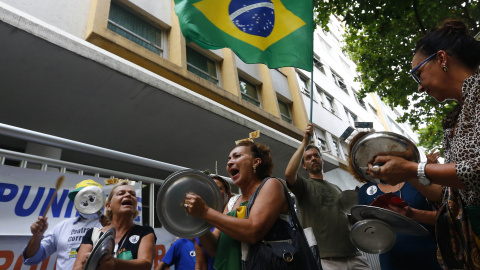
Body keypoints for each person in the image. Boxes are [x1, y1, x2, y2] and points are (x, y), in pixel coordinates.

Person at [365, 18, 480, 269]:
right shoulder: (454, 121)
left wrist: (412, 170)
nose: (418, 87)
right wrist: (409, 169)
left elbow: (476, 171)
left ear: (442, 59)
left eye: (419, 74)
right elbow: (448, 192)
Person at [183, 140, 290, 270]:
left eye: (237, 156)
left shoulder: (271, 185)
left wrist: (205, 212)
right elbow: (214, 249)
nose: (229, 162)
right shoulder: (233, 202)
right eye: (228, 159)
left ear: (255, 162)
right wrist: (198, 220)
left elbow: (253, 231)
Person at [348, 131, 441, 270]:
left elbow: (442, 205)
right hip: (392, 262)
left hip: (431, 257)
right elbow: (371, 232)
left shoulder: (414, 178)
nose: (371, 154)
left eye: (372, 147)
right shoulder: (364, 191)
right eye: (363, 151)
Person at [285, 123, 370, 270]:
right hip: (326, 259)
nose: (313, 158)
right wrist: (305, 142)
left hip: (354, 254)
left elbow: (348, 218)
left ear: (322, 160)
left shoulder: (336, 188)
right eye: (308, 157)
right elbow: (289, 174)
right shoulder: (303, 186)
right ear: (304, 165)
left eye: (316, 155)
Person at [22, 179, 108, 270]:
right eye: (80, 196)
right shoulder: (62, 227)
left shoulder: (110, 225)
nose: (86, 200)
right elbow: (32, 259)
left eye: (91, 197)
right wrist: (37, 236)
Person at [73, 180, 156, 270]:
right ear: (108, 206)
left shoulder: (145, 232)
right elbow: (77, 267)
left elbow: (146, 264)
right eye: (121, 193)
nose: (128, 195)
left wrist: (114, 263)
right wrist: (88, 264)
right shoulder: (93, 234)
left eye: (132, 194)